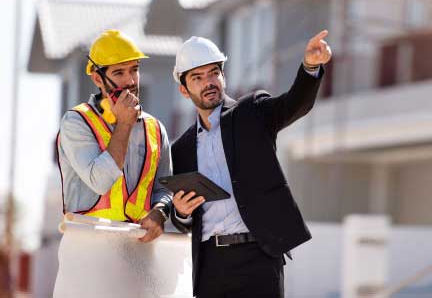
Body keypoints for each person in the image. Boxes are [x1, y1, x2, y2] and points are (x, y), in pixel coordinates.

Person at [170, 31, 332, 297]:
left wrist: (311, 66)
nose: (208, 82)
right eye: (197, 78)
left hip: (259, 256)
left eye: (213, 73)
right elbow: (186, 221)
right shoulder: (181, 150)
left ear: (223, 76)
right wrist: (182, 213)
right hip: (211, 267)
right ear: (184, 89)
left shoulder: (252, 112)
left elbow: (294, 104)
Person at [57, 29, 172, 242]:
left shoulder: (155, 129)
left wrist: (160, 211)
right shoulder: (76, 122)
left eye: (134, 70)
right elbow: (100, 182)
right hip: (89, 248)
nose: (130, 80)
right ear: (97, 78)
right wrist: (124, 124)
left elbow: (164, 189)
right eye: (119, 73)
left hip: (138, 248)